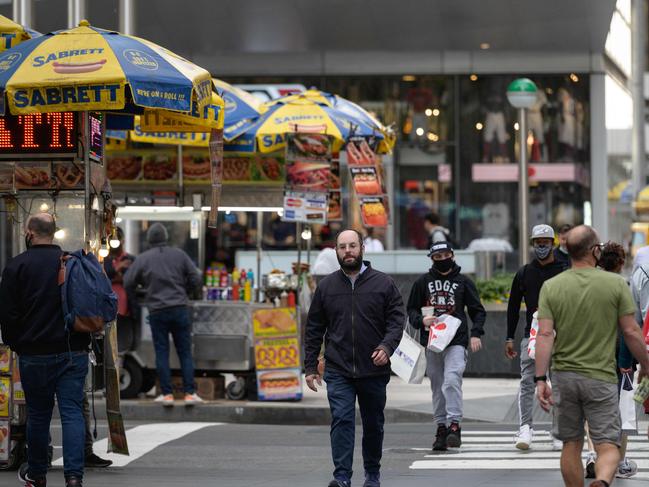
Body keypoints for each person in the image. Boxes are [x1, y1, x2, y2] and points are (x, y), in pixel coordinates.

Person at [535, 225, 649, 487]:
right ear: (594, 250)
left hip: (564, 376)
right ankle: (603, 480)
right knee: (608, 445)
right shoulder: (615, 284)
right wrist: (645, 364)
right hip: (601, 376)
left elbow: (544, 335)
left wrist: (540, 379)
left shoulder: (551, 287)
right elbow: (631, 331)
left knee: (571, 444)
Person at [304, 229, 404, 487]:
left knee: (373, 424)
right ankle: (342, 477)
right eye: (342, 247)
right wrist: (310, 366)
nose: (347, 251)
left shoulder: (384, 284)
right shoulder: (326, 287)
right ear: (336, 251)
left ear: (362, 248)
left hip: (374, 367)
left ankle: (372, 474)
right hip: (338, 369)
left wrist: (387, 346)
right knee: (342, 419)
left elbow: (396, 321)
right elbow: (314, 328)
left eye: (352, 246)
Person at [0, 213, 89, 487]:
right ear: (54, 232)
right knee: (72, 412)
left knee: (38, 414)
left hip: (34, 353)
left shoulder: (16, 266)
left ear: (29, 232)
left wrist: (18, 345)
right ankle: (74, 477)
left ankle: (38, 473)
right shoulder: (72, 262)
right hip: (73, 350)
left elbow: (7, 315)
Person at [407, 241, 486, 451]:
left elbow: (478, 310)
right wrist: (420, 321)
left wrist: (476, 333)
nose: (442, 260)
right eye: (437, 257)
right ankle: (441, 427)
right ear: (431, 259)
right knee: (437, 385)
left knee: (451, 380)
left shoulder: (463, 282)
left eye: (445, 255)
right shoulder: (422, 282)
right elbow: (411, 309)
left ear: (452, 254)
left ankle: (454, 425)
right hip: (432, 342)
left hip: (456, 341)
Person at [124, 223, 203, 406]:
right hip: (179, 308)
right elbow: (196, 277)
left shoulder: (143, 259)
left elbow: (128, 281)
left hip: (157, 311)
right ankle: (190, 393)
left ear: (150, 239)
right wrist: (186, 290)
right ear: (166, 237)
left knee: (162, 352)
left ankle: (166, 395)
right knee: (184, 352)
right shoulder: (179, 255)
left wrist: (137, 297)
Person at [505, 224, 567, 450]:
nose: (542, 247)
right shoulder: (524, 273)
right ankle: (525, 428)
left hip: (560, 336)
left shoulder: (564, 270)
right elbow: (513, 307)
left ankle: (558, 431)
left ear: (553, 244)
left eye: (546, 243)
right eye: (538, 243)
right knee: (527, 382)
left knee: (559, 382)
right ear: (533, 245)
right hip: (530, 337)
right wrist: (509, 337)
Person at [588, 241, 636, 479]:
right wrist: (628, 360)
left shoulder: (587, 283)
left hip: (589, 355)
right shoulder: (621, 285)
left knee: (593, 409)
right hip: (616, 356)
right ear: (621, 262)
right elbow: (627, 329)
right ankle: (619, 459)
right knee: (619, 409)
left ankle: (592, 454)